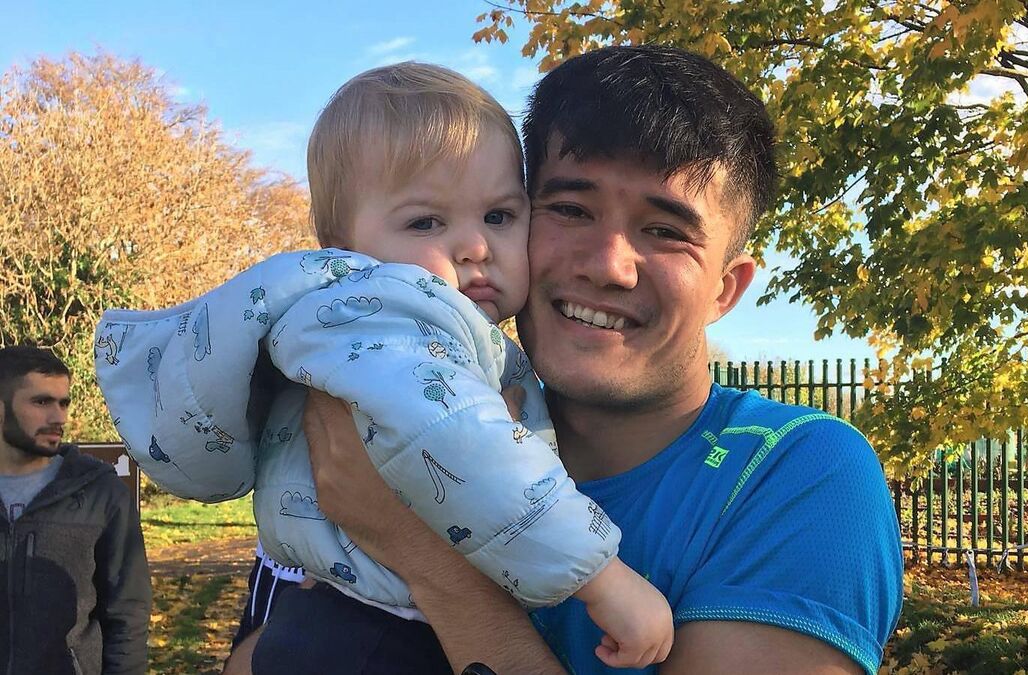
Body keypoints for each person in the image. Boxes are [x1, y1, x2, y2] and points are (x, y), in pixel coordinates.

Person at [289, 44, 905, 675]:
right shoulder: (383, 407)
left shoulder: (800, 475)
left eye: (665, 231)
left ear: (726, 289)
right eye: (570, 210)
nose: (608, 266)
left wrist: (428, 556)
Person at [93, 62, 671, 674]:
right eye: (426, 222)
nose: (476, 246)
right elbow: (467, 448)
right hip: (379, 638)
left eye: (499, 215)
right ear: (341, 247)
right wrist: (600, 578)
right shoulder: (387, 312)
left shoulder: (381, 328)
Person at [0, 345, 151, 675]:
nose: (59, 418)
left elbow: (127, 613)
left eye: (63, 403)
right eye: (41, 402)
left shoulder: (101, 493)